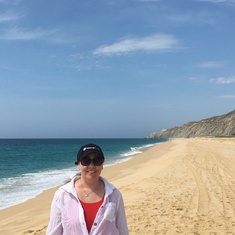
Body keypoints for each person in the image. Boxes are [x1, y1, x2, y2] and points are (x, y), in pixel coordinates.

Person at [46, 143, 129, 235]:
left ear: (102, 165)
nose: (91, 165)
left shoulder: (114, 194)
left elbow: (122, 230)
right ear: (78, 164)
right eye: (86, 161)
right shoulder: (62, 195)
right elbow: (53, 232)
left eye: (97, 161)